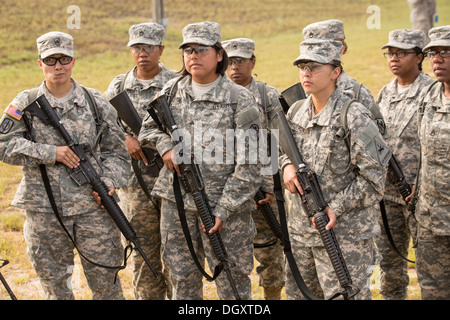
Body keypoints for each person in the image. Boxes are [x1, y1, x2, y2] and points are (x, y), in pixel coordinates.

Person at [0, 31, 130, 299]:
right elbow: (2, 144)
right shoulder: (25, 103)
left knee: (107, 283)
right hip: (44, 210)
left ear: (73, 61)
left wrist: (109, 182)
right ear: (40, 64)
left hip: (92, 208)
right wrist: (50, 153)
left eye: (64, 59)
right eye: (51, 60)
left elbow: (117, 152)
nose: (57, 66)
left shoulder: (95, 102)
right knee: (55, 285)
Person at [138, 21, 263, 300]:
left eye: (201, 50)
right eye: (188, 50)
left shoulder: (239, 99)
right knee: (181, 279)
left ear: (219, 55)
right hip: (177, 204)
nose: (193, 56)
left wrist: (224, 209)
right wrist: (166, 146)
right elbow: (147, 129)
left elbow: (253, 163)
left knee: (232, 283)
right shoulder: (171, 91)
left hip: (224, 209)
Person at [280, 39, 389, 300]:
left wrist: (336, 206)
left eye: (314, 67)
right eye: (302, 66)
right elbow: (283, 150)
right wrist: (285, 166)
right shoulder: (295, 111)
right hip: (301, 232)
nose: (306, 72)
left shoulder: (354, 115)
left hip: (344, 236)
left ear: (335, 72)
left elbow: (375, 178)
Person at [105, 22, 175, 300]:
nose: (142, 52)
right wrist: (126, 138)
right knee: (143, 252)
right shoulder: (118, 86)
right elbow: (105, 125)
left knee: (176, 252)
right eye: (136, 47)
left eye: (148, 47)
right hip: (134, 186)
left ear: (161, 49)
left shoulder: (175, 83)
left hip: (172, 180)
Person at [222, 37, 285, 300]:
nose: (235, 66)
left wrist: (269, 184)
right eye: (230, 61)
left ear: (253, 62)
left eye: (241, 61)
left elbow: (278, 140)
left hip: (262, 187)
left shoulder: (267, 95)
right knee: (232, 250)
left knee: (270, 248)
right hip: (229, 186)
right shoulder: (218, 93)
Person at [376, 29, 433, 300]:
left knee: (430, 266)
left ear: (419, 57)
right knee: (389, 264)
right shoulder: (384, 94)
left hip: (420, 196)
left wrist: (419, 184)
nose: (394, 58)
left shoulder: (432, 92)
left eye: (401, 53)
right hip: (387, 195)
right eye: (391, 53)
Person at [415, 25, 450, 300]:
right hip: (430, 219)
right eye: (432, 53)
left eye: (445, 52)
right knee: (433, 289)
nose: (436, 59)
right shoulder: (429, 96)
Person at [302, 20, 385, 134]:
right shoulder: (304, 91)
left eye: (323, 48)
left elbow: (379, 137)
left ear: (340, 50)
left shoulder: (357, 94)